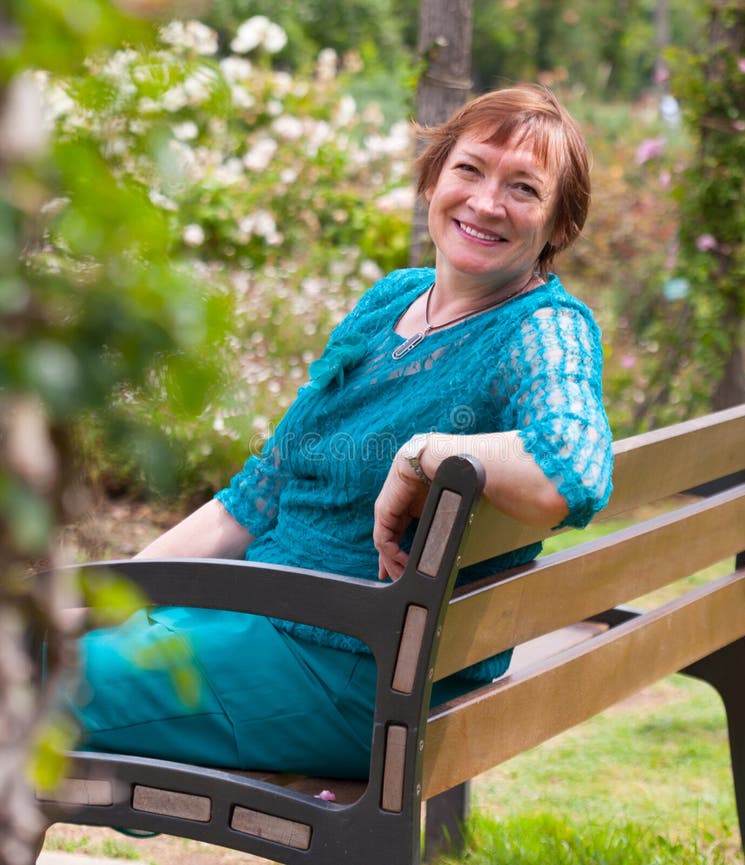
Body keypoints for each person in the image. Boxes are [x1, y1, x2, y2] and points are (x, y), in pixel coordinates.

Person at [65, 84, 614, 780]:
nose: (484, 202)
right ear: (433, 178)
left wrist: (426, 453)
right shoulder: (390, 300)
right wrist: (111, 591)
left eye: (523, 188)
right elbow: (260, 492)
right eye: (469, 170)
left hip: (346, 667)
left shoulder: (542, 330)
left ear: (558, 225)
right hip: (269, 627)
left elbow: (574, 466)